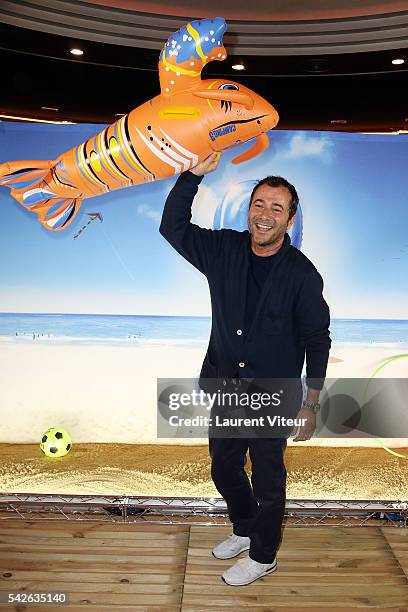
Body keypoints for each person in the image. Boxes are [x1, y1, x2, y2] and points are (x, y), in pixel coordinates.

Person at [159, 152, 331, 586]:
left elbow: (317, 341)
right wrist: (194, 174)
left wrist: (311, 403)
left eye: (277, 208)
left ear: (289, 219)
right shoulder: (223, 250)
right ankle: (243, 527)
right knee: (223, 467)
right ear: (248, 209)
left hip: (274, 393)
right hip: (227, 386)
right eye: (259, 204)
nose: (265, 214)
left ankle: (263, 554)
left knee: (270, 480)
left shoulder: (302, 275)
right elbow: (173, 227)